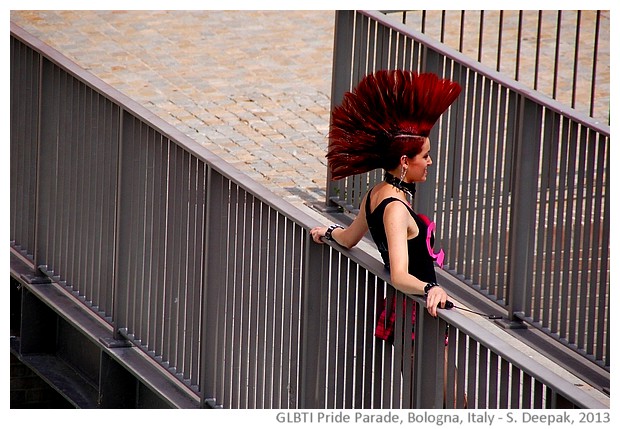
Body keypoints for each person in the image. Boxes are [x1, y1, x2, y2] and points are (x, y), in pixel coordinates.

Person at [310, 69, 461, 340]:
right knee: (439, 383)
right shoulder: (395, 209)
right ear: (405, 161)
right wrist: (431, 290)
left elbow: (348, 239)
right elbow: (400, 275)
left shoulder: (376, 194)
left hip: (408, 312)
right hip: (416, 317)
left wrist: (328, 233)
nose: (429, 162)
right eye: (425, 156)